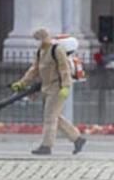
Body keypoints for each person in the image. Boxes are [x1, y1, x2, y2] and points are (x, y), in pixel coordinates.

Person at [11, 27, 87, 156]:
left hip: (57, 87)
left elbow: (64, 69)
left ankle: (46, 146)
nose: (39, 42)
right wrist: (22, 83)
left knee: (50, 118)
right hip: (47, 87)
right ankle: (77, 139)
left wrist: (65, 86)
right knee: (54, 116)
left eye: (40, 39)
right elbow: (34, 70)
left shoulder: (57, 50)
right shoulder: (40, 51)